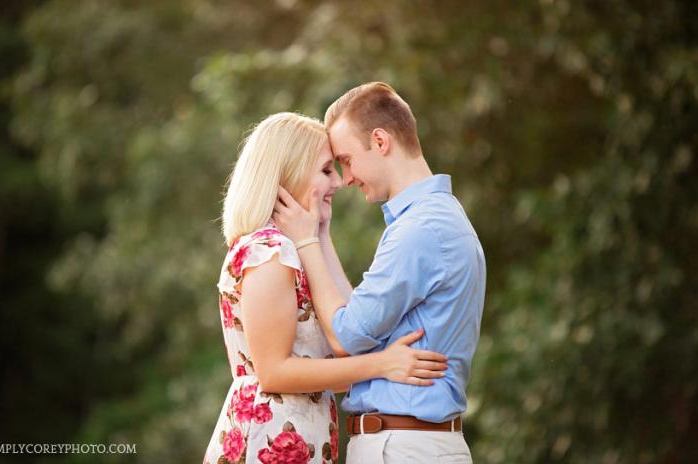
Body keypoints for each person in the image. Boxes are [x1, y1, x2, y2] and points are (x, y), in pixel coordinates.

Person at [203, 112, 449, 464]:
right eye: (325, 170)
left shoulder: (294, 249)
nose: (338, 181)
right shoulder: (270, 251)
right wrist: (382, 365)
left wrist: (319, 234)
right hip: (268, 439)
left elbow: (351, 341)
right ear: (289, 173)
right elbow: (274, 372)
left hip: (304, 436)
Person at [273, 83, 486, 463]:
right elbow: (358, 321)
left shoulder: (421, 229)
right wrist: (320, 232)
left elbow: (346, 336)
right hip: (409, 444)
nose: (346, 178)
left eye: (347, 159)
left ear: (381, 140)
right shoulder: (430, 219)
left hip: (405, 447)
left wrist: (305, 243)